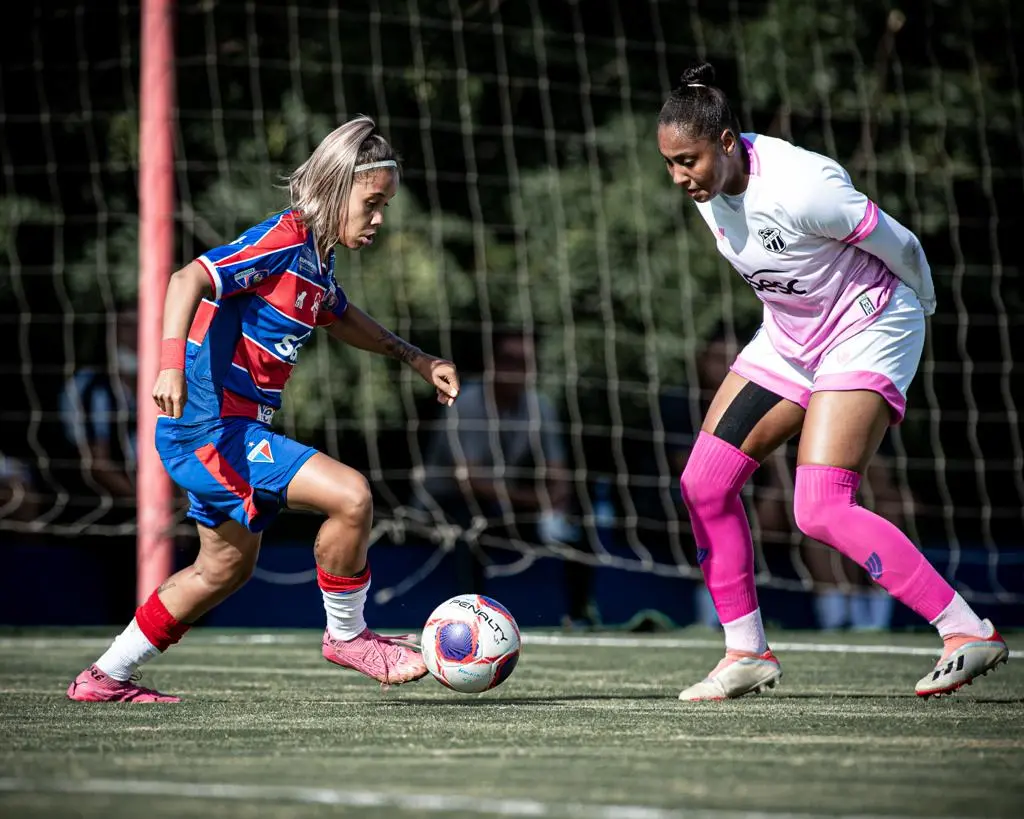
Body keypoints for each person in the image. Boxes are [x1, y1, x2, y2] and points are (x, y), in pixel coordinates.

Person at [67, 115, 460, 703]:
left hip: (228, 431)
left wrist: (416, 358)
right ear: (335, 186)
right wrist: (171, 364)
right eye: (372, 203)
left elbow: (342, 315)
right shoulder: (281, 240)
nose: (379, 218)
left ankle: (102, 678)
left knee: (222, 570)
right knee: (351, 496)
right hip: (208, 430)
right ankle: (348, 636)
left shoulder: (316, 262)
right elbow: (186, 279)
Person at [657, 63, 1008, 701]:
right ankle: (746, 652)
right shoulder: (710, 192)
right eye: (671, 164)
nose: (679, 177)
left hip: (871, 323)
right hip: (791, 335)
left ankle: (967, 633)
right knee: (703, 483)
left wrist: (917, 309)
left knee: (819, 505)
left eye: (689, 160)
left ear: (729, 143)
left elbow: (900, 244)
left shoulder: (805, 185)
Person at [415, 331, 583, 621]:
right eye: (509, 360)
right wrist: (537, 500)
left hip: (505, 501)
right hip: (445, 501)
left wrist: (557, 500)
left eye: (525, 362)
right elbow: (468, 480)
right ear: (492, 363)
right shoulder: (465, 403)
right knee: (472, 522)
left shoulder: (539, 406)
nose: (516, 370)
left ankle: (580, 613)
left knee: (580, 521)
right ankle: (470, 615)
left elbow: (558, 469)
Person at [58, 311, 139, 502]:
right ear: (109, 331)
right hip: (107, 502)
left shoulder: (169, 384)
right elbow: (97, 465)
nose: (136, 333)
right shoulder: (89, 387)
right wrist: (152, 509)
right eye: (127, 325)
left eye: (143, 323)